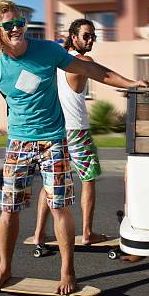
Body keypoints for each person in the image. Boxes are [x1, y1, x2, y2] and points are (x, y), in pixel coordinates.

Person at [0, 0, 146, 294]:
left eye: (20, 22)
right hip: (18, 144)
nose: (17, 28)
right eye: (9, 24)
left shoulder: (48, 51)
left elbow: (94, 71)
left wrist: (132, 83)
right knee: (9, 210)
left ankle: (67, 270)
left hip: (54, 141)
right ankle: (4, 267)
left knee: (60, 208)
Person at [32, 19, 106, 247]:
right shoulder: (84, 60)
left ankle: (38, 234)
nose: (91, 39)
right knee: (89, 179)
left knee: (49, 183)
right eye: (86, 36)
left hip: (53, 129)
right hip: (77, 131)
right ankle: (86, 234)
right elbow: (104, 75)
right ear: (73, 37)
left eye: (93, 35)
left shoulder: (53, 62)